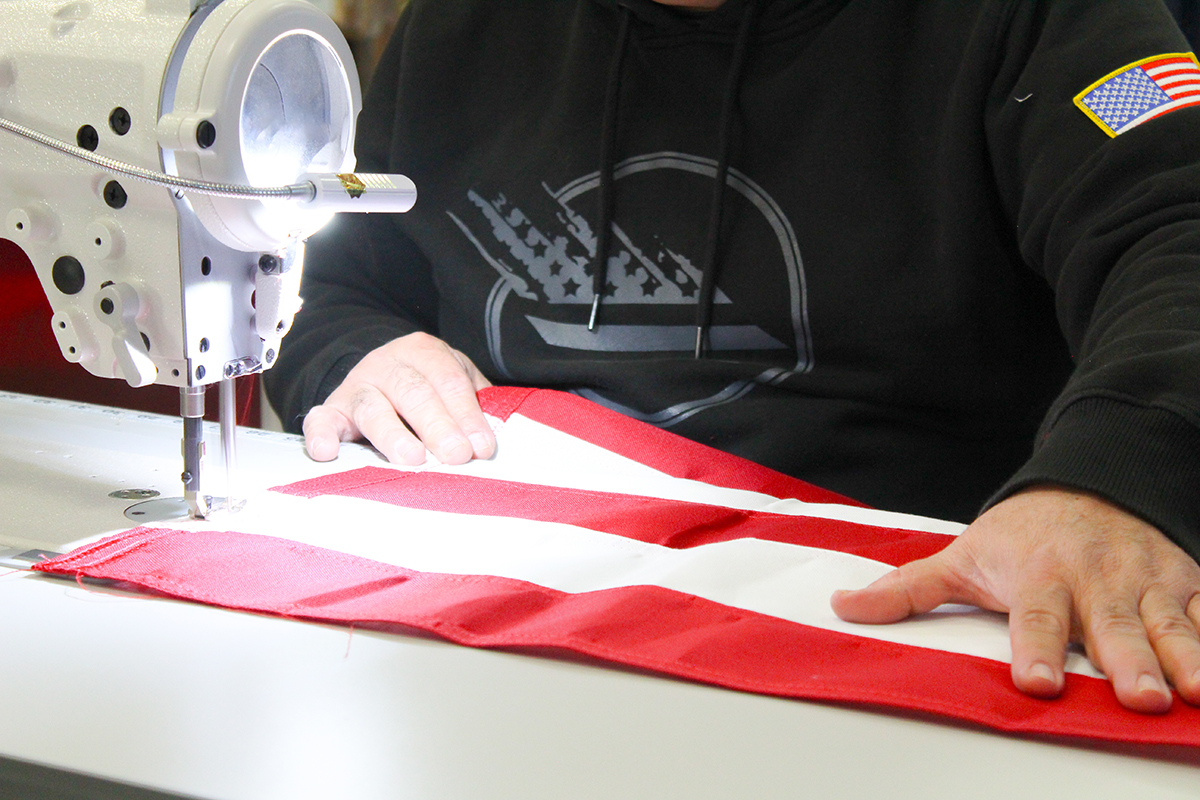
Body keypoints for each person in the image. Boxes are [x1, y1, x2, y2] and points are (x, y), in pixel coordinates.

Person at [265, 0, 1200, 714]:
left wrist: (1114, 475)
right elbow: (339, 281)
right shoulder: (456, 28)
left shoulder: (1057, 21)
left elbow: (1178, 227)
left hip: (892, 625)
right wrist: (351, 349)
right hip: (495, 625)